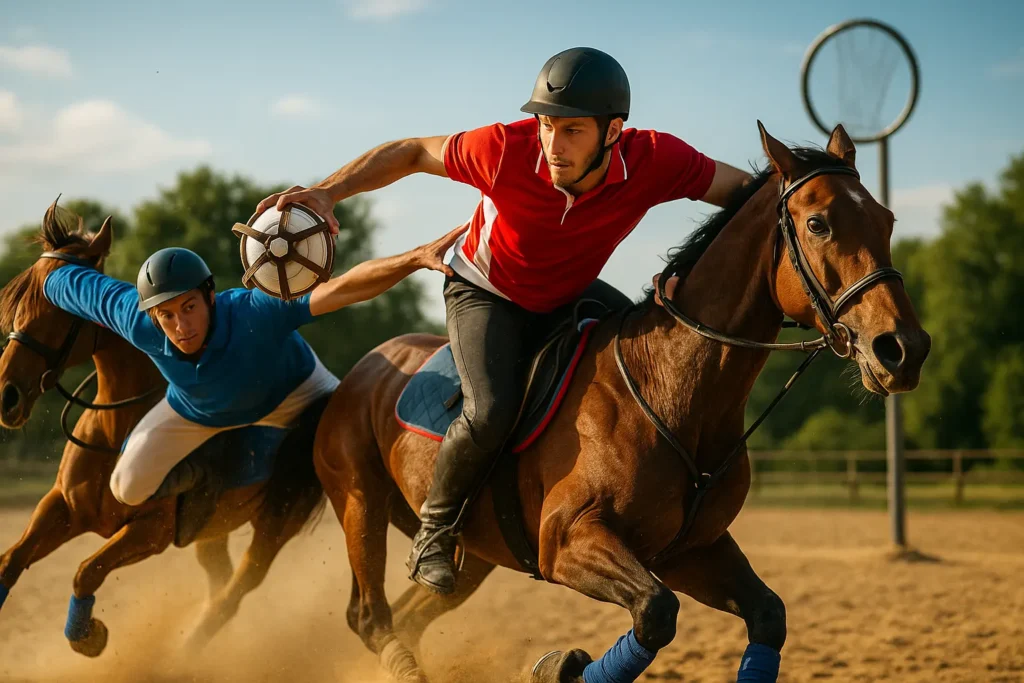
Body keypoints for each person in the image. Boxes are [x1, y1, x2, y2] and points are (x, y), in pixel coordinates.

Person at [257, 47, 753, 595]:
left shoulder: (657, 158)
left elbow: (748, 199)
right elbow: (410, 151)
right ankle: (435, 532)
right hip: (485, 290)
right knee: (490, 408)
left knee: (652, 336)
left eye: (572, 131)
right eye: (546, 125)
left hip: (568, 291)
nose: (553, 145)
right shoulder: (502, 149)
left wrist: (682, 271)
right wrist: (328, 191)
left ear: (613, 132)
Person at [43, 223, 465, 507]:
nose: (180, 325)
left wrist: (412, 259)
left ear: (209, 295)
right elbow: (62, 281)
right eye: (167, 315)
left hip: (296, 392)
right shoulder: (138, 321)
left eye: (189, 307)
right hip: (196, 410)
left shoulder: (255, 310)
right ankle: (208, 474)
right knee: (126, 489)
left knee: (361, 451)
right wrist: (49, 267)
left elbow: (343, 289)